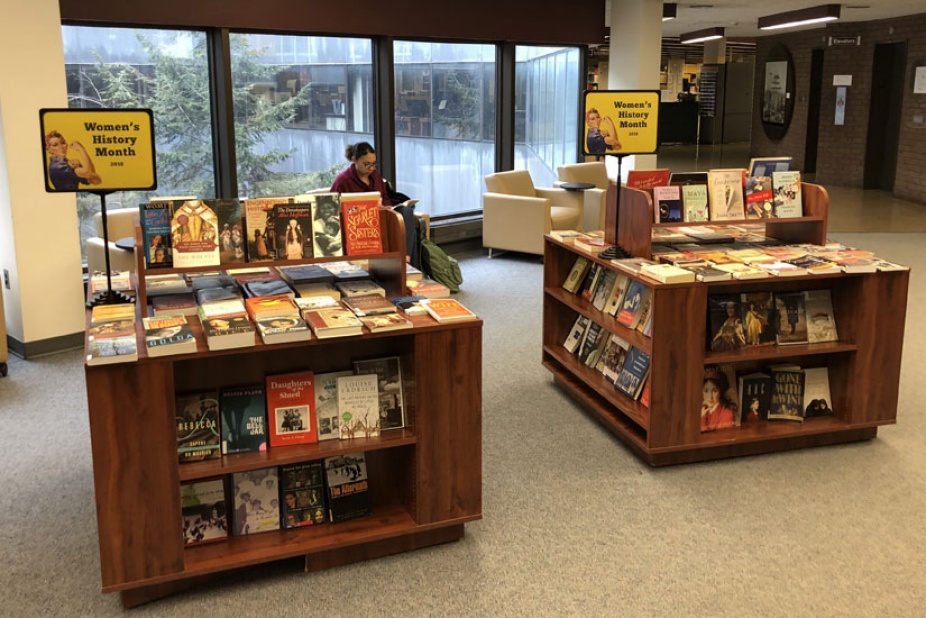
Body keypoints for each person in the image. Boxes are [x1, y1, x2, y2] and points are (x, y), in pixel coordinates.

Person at [331, 142, 418, 266]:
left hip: (381, 216)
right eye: (366, 164)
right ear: (354, 160)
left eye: (373, 164)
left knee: (407, 213)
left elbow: (385, 197)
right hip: (359, 223)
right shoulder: (343, 180)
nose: (371, 168)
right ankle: (405, 265)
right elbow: (333, 207)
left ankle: (406, 259)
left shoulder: (375, 176)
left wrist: (386, 206)